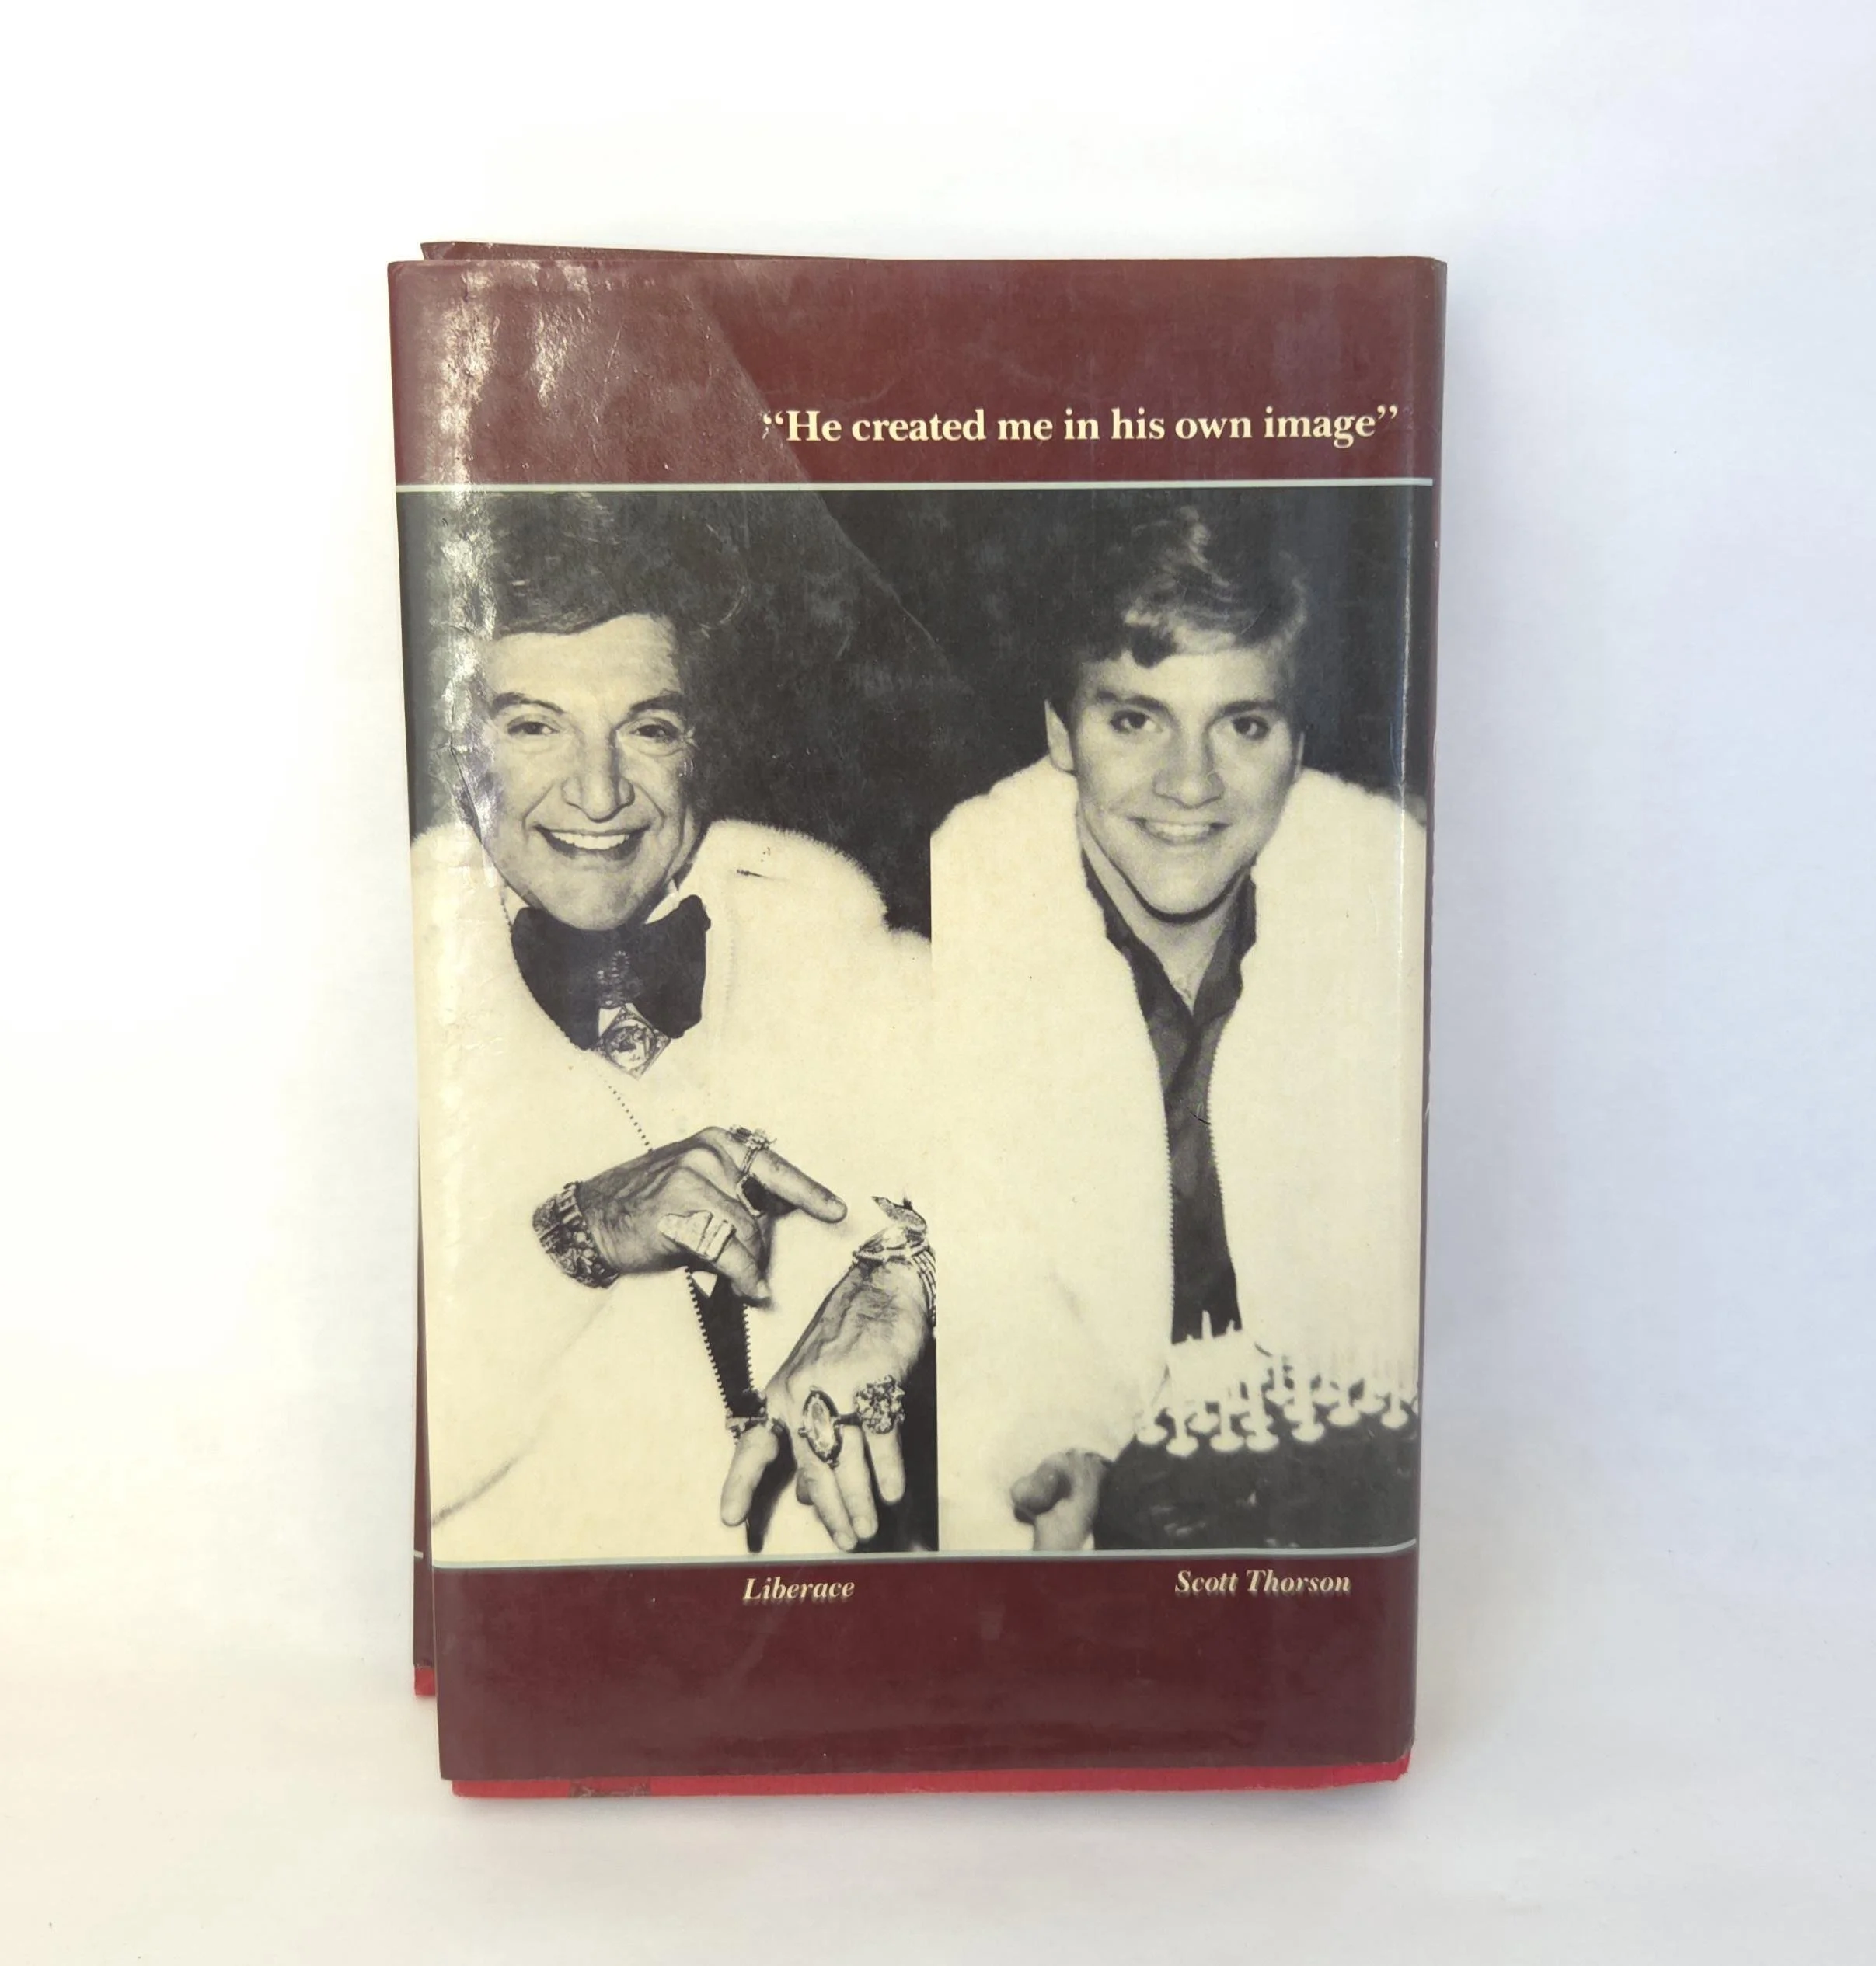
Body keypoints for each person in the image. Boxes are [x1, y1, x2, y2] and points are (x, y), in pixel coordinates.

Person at [413, 499, 934, 1563]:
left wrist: (904, 1279)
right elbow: (334, 1470)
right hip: (543, 1634)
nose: (599, 792)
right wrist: (578, 1237)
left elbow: (1080, 1181)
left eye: (648, 727)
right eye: (533, 726)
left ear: (702, 744)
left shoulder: (838, 945)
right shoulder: (376, 996)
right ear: (458, 747)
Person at [932, 507, 1424, 1553]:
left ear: (1298, 744)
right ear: (1060, 733)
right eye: (1134, 720)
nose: (1190, 784)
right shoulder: (960, 914)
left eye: (1243, 725)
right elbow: (982, 1264)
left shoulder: (1394, 907)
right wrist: (1050, 1437)